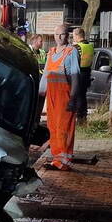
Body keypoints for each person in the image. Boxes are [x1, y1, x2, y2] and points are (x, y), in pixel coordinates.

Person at [44, 24, 81, 170]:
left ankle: (64, 162)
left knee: (64, 128)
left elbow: (76, 76)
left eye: (63, 34)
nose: (60, 37)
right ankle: (56, 160)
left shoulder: (71, 52)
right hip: (52, 97)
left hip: (65, 97)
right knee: (53, 128)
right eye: (57, 34)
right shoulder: (51, 52)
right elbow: (46, 76)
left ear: (68, 36)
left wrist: (73, 98)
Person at [72, 27, 94, 122]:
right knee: (83, 96)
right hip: (87, 73)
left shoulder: (77, 47)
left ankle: (80, 117)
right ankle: (83, 116)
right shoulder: (90, 45)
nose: (73, 38)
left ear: (77, 36)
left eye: (73, 36)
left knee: (78, 96)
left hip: (78, 74)